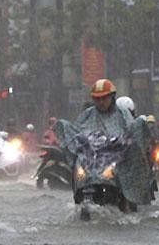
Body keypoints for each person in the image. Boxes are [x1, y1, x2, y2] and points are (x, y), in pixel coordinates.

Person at [54, 79, 152, 209]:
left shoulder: (122, 114)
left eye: (104, 98)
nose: (101, 102)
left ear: (112, 97)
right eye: (97, 99)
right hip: (93, 158)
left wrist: (124, 142)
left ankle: (127, 202)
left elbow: (131, 131)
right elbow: (78, 131)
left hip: (118, 157)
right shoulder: (87, 115)